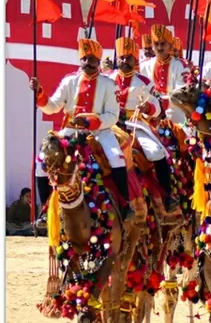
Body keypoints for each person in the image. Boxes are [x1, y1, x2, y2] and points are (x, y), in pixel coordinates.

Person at [30, 38, 133, 220]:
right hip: (69, 132)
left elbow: (112, 116)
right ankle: (46, 210)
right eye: (84, 59)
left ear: (99, 61)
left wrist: (89, 123)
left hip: (100, 132)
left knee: (117, 159)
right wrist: (39, 93)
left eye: (92, 59)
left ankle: (125, 205)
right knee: (41, 161)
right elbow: (53, 106)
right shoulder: (70, 81)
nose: (87, 63)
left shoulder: (109, 84)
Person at [110, 37, 178, 212]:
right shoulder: (107, 79)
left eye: (128, 58)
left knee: (155, 152)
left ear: (135, 60)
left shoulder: (144, 82)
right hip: (109, 125)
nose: (125, 61)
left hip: (135, 124)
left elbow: (157, 107)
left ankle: (167, 196)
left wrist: (148, 106)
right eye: (122, 57)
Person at [140, 25, 192, 124]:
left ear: (170, 46)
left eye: (163, 44)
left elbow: (181, 93)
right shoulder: (144, 66)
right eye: (156, 44)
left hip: (175, 115)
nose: (159, 47)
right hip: (149, 113)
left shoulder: (180, 65)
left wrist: (160, 104)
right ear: (152, 46)